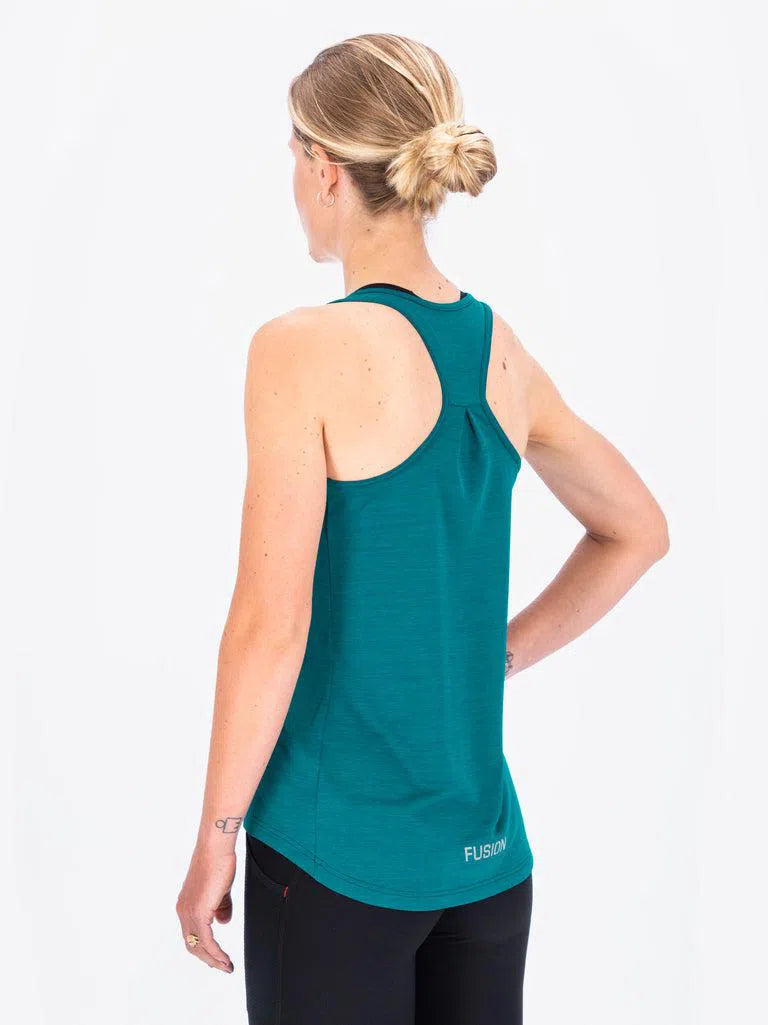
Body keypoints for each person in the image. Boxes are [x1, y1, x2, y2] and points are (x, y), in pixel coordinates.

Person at [175, 32, 669, 1025]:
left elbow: (270, 627)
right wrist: (491, 654)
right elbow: (637, 528)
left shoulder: (302, 348)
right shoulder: (500, 351)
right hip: (487, 869)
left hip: (335, 862)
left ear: (325, 168)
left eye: (292, 156)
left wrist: (216, 832)